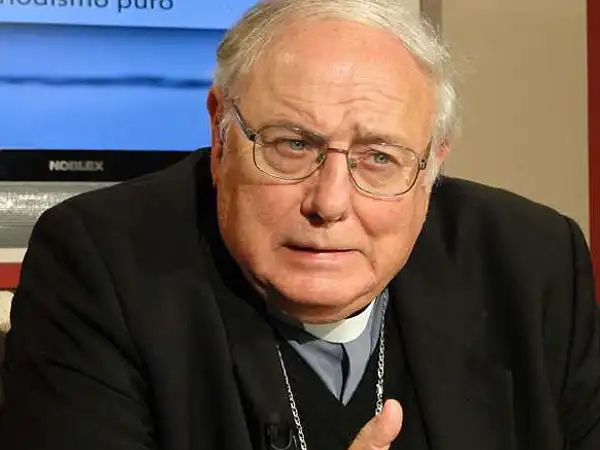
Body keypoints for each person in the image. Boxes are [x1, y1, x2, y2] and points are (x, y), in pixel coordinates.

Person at [1, 0, 599, 448]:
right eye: (292, 145)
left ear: (432, 164)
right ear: (220, 134)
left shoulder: (533, 264)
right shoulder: (98, 264)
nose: (329, 202)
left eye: (379, 158)